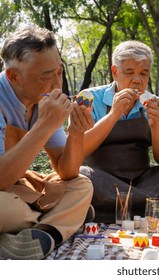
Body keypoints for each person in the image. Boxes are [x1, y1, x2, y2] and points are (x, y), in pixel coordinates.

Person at [0, 25, 94, 260]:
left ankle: (36, 234)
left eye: (59, 73)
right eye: (46, 76)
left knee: (82, 186)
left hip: (18, 189)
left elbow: (67, 171)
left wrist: (75, 133)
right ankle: (59, 220)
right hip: (4, 190)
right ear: (14, 76)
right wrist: (44, 125)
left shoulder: (40, 99)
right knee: (9, 210)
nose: (57, 84)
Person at [80, 40, 159, 223]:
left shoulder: (156, 104)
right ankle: (149, 207)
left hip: (141, 179)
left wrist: (155, 125)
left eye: (144, 73)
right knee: (82, 176)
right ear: (115, 72)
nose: (137, 80)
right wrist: (114, 114)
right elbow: (79, 150)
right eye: (129, 72)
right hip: (102, 179)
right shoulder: (90, 99)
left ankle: (117, 207)